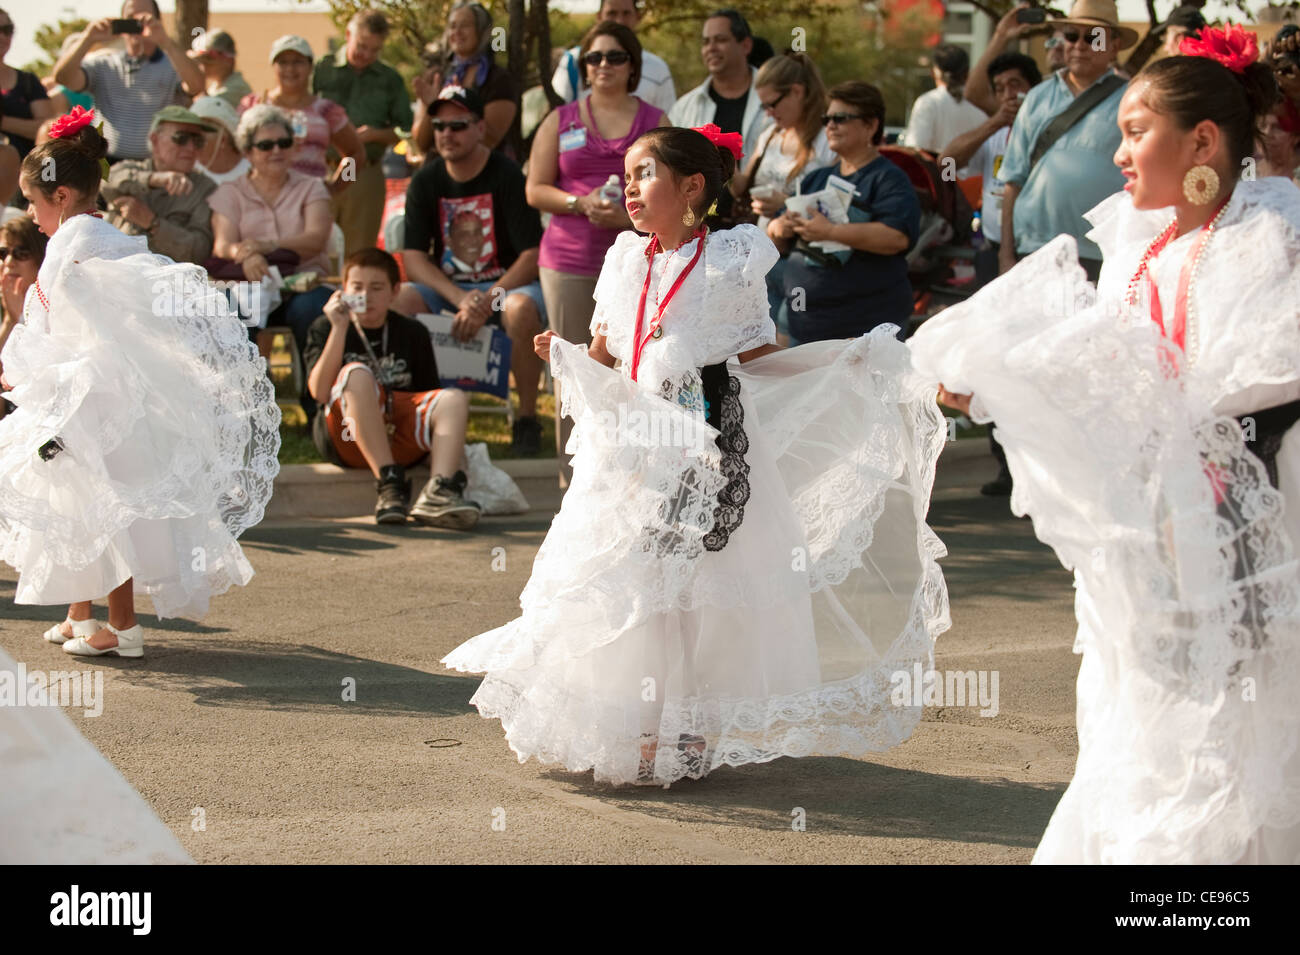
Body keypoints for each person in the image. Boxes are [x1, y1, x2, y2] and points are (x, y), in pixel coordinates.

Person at [442, 125, 950, 787]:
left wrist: (841, 360)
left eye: (644, 173)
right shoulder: (626, 258)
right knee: (627, 582)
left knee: (686, 592)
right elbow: (606, 352)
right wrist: (565, 357)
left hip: (707, 439)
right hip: (630, 446)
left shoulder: (730, 258)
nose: (628, 186)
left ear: (691, 187)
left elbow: (755, 353)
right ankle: (630, 721)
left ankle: (685, 724)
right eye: (624, 175)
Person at [913, 26, 1300, 863]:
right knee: (1149, 702)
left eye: (1135, 132)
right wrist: (1001, 382)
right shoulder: (1136, 245)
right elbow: (1107, 366)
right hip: (1153, 529)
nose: (1119, 154)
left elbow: (1239, 387)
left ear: (1202, 140)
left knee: (1239, 709)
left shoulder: (1267, 236)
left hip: (1247, 514)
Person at [2, 108, 279, 658]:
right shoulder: (105, 233)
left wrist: (25, 357)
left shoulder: (69, 243)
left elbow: (57, 321)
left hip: (96, 397)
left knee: (106, 508)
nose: (30, 216)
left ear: (60, 197)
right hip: (105, 393)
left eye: (33, 202)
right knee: (80, 503)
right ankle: (78, 612)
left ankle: (123, 629)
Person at [527, 21, 665, 480]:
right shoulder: (560, 119)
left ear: (633, 66)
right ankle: (578, 476)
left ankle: (632, 470)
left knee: (632, 364)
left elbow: (671, 191)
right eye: (594, 57)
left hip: (640, 260)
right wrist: (578, 203)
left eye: (615, 56)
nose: (603, 65)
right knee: (572, 365)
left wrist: (629, 217)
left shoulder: (655, 121)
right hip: (569, 261)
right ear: (584, 67)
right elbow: (535, 189)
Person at [400, 86, 546, 456]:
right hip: (454, 291)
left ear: (481, 128)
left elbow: (532, 254)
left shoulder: (509, 176)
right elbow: (414, 258)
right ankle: (414, 415)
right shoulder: (425, 180)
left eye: (459, 125)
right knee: (401, 299)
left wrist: (488, 298)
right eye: (440, 126)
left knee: (520, 309)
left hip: (507, 288)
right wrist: (463, 298)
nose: (447, 134)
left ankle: (527, 419)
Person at [303, 247, 480, 527]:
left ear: (395, 291)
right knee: (357, 374)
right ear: (343, 290)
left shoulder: (412, 331)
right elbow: (320, 393)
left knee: (454, 398)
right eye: (357, 287)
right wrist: (339, 328)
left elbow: (430, 397)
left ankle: (440, 490)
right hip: (347, 438)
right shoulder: (325, 327)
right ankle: (389, 483)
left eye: (376, 288)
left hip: (398, 432)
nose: (365, 296)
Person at [940, 53, 1041, 497]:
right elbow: (947, 162)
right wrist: (993, 122)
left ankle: (1039, 462)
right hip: (992, 255)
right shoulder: (994, 133)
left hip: (1038, 252)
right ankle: (1006, 464)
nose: (1008, 96)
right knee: (995, 357)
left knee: (1035, 359)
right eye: (1000, 89)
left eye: (1016, 86)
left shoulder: (1045, 128)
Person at [769, 81, 920, 345]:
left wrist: (830, 232)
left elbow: (896, 238)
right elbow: (773, 236)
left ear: (871, 126)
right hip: (797, 320)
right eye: (826, 118)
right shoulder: (817, 178)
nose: (830, 125)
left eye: (840, 118)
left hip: (862, 327)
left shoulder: (889, 179)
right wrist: (782, 226)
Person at [997, 0, 1135, 281]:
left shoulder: (1133, 101)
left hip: (1102, 254)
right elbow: (1013, 181)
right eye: (1072, 35)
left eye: (1092, 37)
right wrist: (1005, 254)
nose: (1080, 45)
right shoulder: (1036, 97)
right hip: (1034, 250)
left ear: (1115, 45)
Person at [208, 104, 334, 353]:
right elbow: (223, 245)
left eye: (284, 143)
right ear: (247, 153)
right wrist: (248, 255)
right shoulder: (229, 192)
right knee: (232, 310)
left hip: (304, 284)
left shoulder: (312, 187)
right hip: (250, 285)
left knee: (311, 308)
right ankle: (250, 388)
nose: (276, 150)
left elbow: (316, 239)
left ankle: (314, 389)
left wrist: (269, 246)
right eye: (266, 146)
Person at [729, 52, 834, 344]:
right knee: (764, 355)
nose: (767, 113)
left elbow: (837, 208)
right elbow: (742, 187)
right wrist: (722, 158)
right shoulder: (771, 134)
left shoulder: (827, 139)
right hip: (765, 258)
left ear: (797, 92)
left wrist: (785, 203)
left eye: (771, 104)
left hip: (803, 262)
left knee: (793, 357)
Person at [312, 8, 413, 255]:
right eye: (362, 45)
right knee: (315, 250)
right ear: (348, 34)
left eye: (375, 50)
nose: (366, 54)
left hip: (364, 172)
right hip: (321, 169)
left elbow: (405, 130)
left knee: (359, 255)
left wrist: (376, 134)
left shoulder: (390, 79)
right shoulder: (321, 69)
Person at [53, 0, 204, 163]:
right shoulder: (103, 64)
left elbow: (196, 85)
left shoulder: (174, 65)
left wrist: (166, 42)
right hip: (106, 165)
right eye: (130, 18)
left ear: (158, 22)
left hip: (157, 167)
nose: (136, 23)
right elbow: (63, 78)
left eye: (144, 18)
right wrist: (88, 38)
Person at [668, 9, 772, 226]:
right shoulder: (685, 106)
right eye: (706, 42)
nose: (711, 48)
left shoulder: (775, 97)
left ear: (745, 46)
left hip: (763, 225)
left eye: (720, 40)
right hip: (699, 228)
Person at [242, 36, 366, 194]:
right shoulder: (254, 106)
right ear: (273, 66)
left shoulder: (326, 110)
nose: (290, 69)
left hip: (310, 206)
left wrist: (336, 188)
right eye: (283, 62)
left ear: (310, 66)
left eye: (297, 62)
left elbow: (356, 154)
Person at [99, 105, 217, 264]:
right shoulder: (131, 169)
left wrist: (153, 223)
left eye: (198, 141)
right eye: (180, 138)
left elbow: (198, 250)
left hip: (166, 280)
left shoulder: (205, 188)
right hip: (116, 270)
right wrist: (153, 179)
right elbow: (106, 182)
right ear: (155, 140)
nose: (191, 147)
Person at [412, 2, 520, 158]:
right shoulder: (436, 77)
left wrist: (462, 108)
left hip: (481, 174)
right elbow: (421, 144)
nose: (457, 32)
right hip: (436, 172)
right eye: (452, 26)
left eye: (465, 25)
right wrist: (432, 108)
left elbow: (490, 140)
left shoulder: (498, 79)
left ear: (481, 30)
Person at [549, 0, 677, 114]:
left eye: (626, 13)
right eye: (612, 13)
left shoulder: (658, 69)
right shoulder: (573, 61)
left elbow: (669, 124)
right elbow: (556, 112)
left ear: (638, 17)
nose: (619, 20)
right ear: (599, 17)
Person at [903, 43, 987, 155]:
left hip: (940, 171)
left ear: (934, 73)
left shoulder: (928, 102)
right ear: (967, 72)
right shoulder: (983, 103)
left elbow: (916, 150)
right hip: (978, 172)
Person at [0, 9, 54, 161]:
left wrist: (3, 121)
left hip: (25, 175)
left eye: (7, 30)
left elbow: (47, 130)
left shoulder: (28, 81)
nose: (2, 36)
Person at [190, 94, 249, 185]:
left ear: (223, 140)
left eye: (198, 138)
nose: (190, 144)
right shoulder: (186, 171)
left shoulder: (256, 172)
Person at [188, 28, 251, 107]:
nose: (203, 66)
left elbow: (211, 108)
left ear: (228, 60)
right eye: (200, 62)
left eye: (209, 61)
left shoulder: (237, 89)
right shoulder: (216, 86)